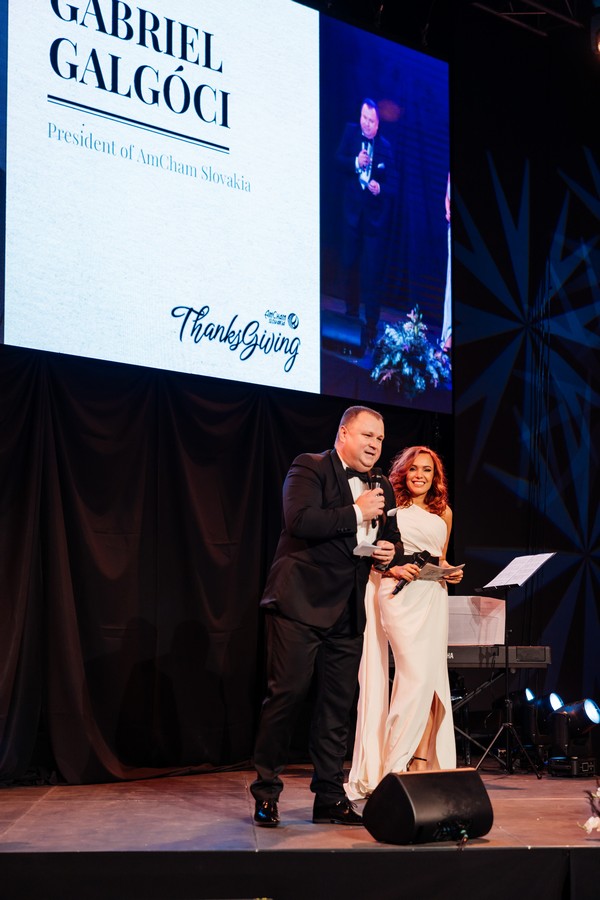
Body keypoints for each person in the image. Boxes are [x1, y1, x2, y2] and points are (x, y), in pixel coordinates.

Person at [251, 406, 407, 827]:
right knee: (285, 698)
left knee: (337, 706)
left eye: (380, 438)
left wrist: (390, 553)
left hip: (348, 609)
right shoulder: (310, 466)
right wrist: (356, 511)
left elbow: (391, 538)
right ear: (343, 434)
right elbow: (299, 520)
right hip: (299, 603)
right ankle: (266, 792)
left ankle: (329, 797)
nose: (375, 445)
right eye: (367, 435)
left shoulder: (382, 486)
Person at [346, 445, 463, 801]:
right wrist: (393, 569)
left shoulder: (444, 513)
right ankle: (394, 767)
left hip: (433, 596)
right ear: (403, 472)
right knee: (415, 677)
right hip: (397, 594)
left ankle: (421, 764)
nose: (420, 475)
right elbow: (368, 554)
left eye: (427, 470)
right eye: (414, 468)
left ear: (435, 476)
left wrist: (450, 571)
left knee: (431, 681)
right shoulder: (389, 506)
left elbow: (440, 557)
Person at [335, 99, 394, 344]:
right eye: (364, 118)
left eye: (371, 121)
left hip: (373, 222)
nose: (366, 124)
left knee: (372, 274)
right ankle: (350, 317)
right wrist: (355, 162)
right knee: (350, 266)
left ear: (378, 124)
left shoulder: (385, 146)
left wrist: (380, 188)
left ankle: (371, 326)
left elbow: (393, 184)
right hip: (351, 216)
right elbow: (337, 160)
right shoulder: (350, 132)